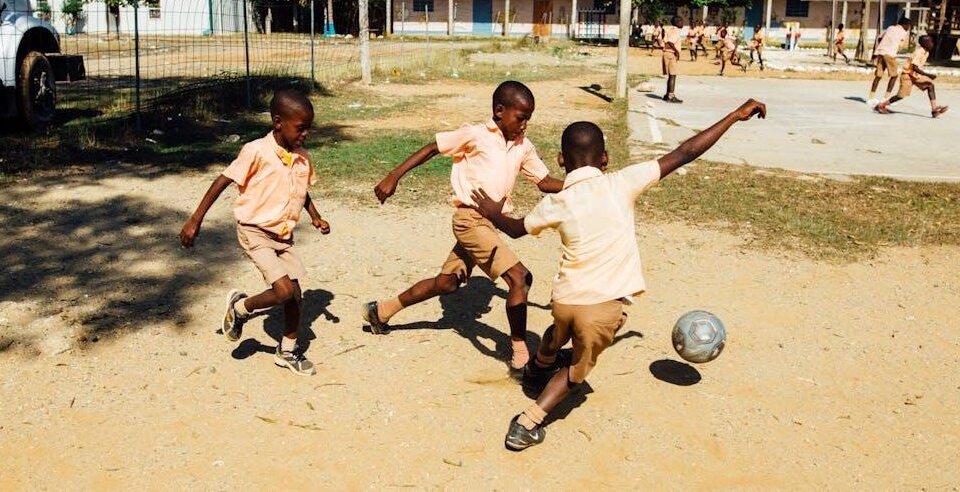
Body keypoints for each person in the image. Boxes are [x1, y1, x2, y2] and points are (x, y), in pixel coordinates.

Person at [469, 99, 767, 451]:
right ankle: (528, 422)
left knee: (559, 331)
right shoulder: (622, 182)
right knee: (577, 371)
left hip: (564, 301)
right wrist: (733, 115)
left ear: (562, 162)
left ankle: (540, 366)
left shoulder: (557, 201)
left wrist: (492, 210)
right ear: (605, 159)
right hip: (601, 309)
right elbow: (686, 151)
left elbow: (517, 229)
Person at [363, 81, 564, 372]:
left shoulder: (524, 146)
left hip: (489, 224)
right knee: (520, 279)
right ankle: (521, 355)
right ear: (499, 111)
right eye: (520, 117)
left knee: (447, 282)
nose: (524, 125)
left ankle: (381, 311)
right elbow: (433, 147)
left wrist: (585, 181)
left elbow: (544, 182)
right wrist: (394, 176)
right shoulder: (475, 135)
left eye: (529, 119)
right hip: (469, 221)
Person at [180, 89, 330, 376]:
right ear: (278, 122)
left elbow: (301, 190)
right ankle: (241, 308)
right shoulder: (256, 151)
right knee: (283, 290)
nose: (305, 134)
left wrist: (315, 216)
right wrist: (195, 220)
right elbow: (223, 180)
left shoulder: (301, 156)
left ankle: (286, 351)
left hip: (283, 236)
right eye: (300, 128)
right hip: (255, 231)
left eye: (308, 128)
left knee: (295, 295)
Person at [874, 35, 948, 118]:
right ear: (925, 44)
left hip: (915, 75)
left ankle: (934, 109)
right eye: (930, 42)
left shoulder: (926, 52)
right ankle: (881, 105)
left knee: (930, 85)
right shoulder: (919, 52)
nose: (932, 44)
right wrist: (928, 75)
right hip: (907, 76)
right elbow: (914, 68)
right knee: (901, 96)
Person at [868, 17, 912, 104]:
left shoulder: (890, 27)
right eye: (908, 26)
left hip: (881, 52)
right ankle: (886, 98)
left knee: (878, 76)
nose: (908, 28)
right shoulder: (903, 32)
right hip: (890, 54)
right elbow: (902, 45)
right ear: (904, 25)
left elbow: (880, 37)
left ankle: (871, 98)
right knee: (894, 76)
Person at [662, 16, 684, 103]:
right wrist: (677, 52)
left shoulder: (670, 30)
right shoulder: (676, 31)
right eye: (681, 21)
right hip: (671, 54)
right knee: (673, 75)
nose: (682, 23)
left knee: (671, 75)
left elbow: (665, 41)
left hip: (666, 53)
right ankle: (671, 96)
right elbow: (670, 42)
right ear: (677, 22)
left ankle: (667, 94)